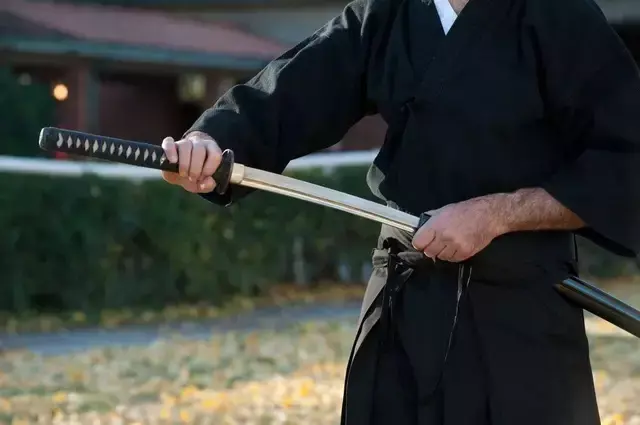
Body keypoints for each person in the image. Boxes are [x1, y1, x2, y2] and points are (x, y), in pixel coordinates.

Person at [161, 0, 640, 423]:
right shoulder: (387, 15)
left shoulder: (559, 16)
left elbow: (627, 164)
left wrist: (497, 214)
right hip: (404, 299)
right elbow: (287, 94)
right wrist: (210, 141)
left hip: (519, 315)